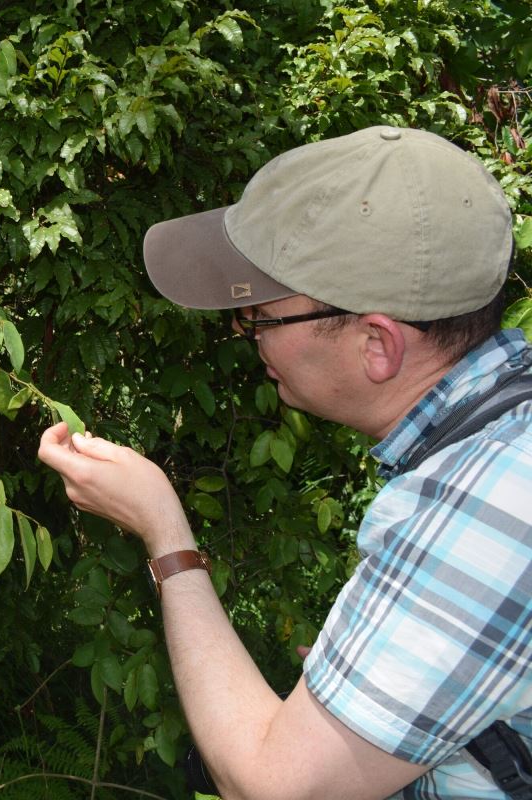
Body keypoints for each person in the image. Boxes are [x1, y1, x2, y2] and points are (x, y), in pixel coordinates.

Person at [39, 126, 529, 799]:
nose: (244, 332)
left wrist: (164, 530)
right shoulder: (500, 434)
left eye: (262, 316)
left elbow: (273, 789)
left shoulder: (485, 506)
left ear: (377, 345)